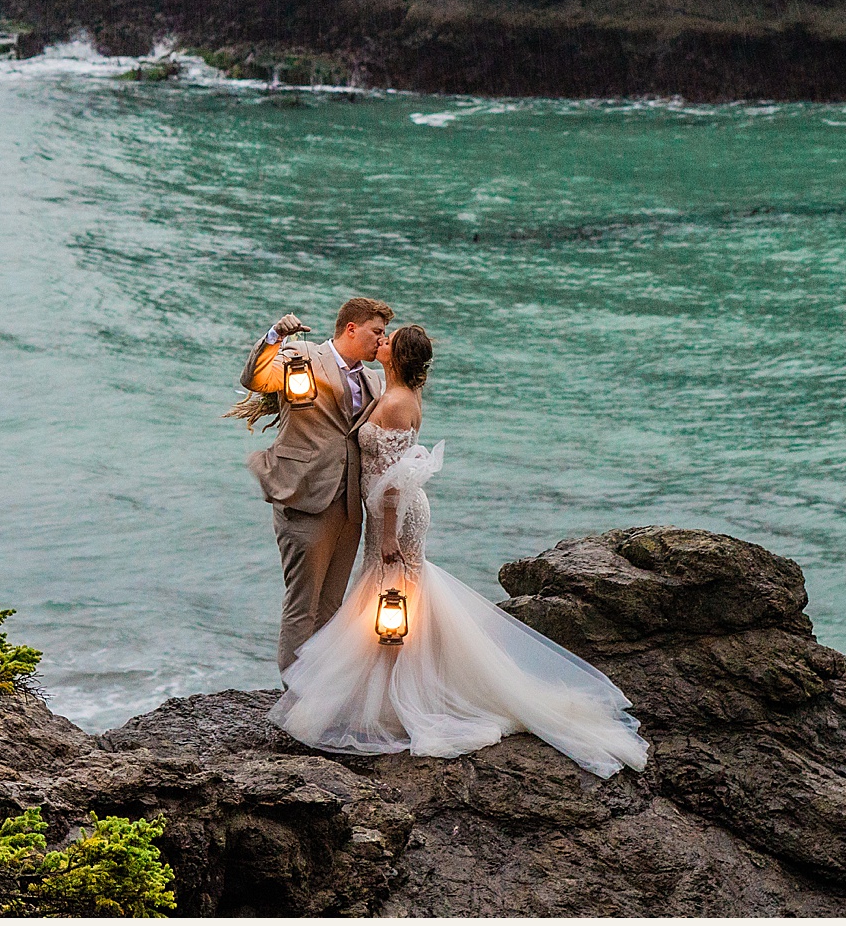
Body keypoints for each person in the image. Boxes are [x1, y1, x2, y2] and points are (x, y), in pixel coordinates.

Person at [268, 324, 648, 778]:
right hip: (388, 515)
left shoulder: (395, 403)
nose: (380, 341)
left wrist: (388, 537)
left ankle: (400, 698)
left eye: (387, 341)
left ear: (397, 357)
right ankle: (389, 691)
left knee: (392, 599)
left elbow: (393, 483)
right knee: (392, 600)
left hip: (397, 518)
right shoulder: (392, 392)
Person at [236, 297, 391, 673]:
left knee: (331, 607)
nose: (381, 340)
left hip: (349, 506)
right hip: (304, 497)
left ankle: (320, 693)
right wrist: (275, 336)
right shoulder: (302, 357)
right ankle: (294, 696)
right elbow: (254, 379)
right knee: (302, 606)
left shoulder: (373, 380)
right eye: (376, 332)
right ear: (351, 328)